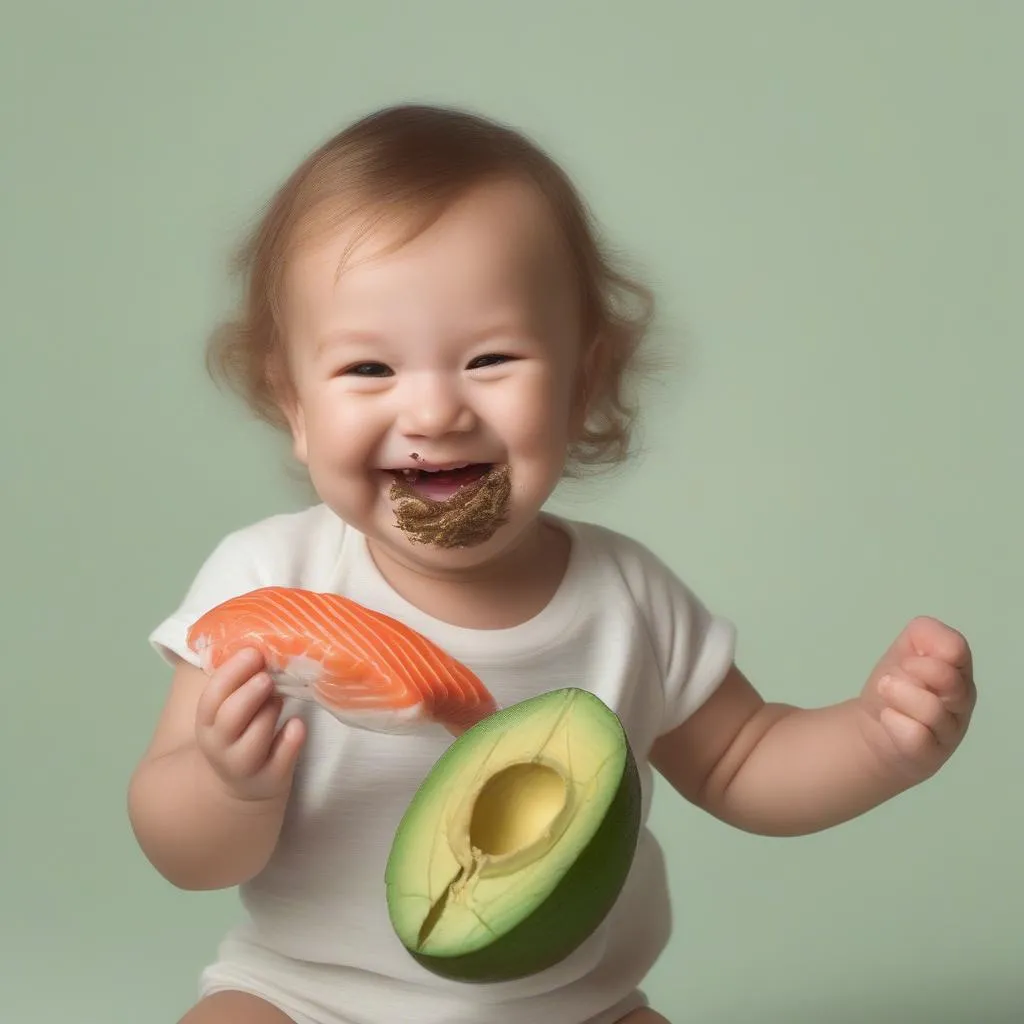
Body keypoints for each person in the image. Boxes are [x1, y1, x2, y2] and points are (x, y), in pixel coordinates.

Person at [127, 104, 977, 1024]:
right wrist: (225, 785)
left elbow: (743, 760)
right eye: (369, 370)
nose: (434, 412)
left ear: (581, 382)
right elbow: (183, 853)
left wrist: (877, 742)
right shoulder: (268, 579)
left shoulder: (628, 599)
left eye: (489, 359)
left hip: (579, 1006)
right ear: (292, 403)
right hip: (307, 998)